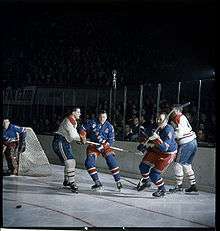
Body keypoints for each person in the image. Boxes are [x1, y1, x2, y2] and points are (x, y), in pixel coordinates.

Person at [79, 110, 123, 191]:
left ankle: (118, 181)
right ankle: (97, 182)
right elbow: (82, 128)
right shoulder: (92, 122)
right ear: (98, 117)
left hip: (105, 146)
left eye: (104, 117)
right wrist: (83, 136)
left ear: (106, 117)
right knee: (89, 163)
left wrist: (104, 145)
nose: (102, 119)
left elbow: (111, 140)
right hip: (93, 146)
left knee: (111, 160)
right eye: (100, 117)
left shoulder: (110, 127)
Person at [136, 112, 177, 197]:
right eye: (157, 119)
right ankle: (146, 181)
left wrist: (157, 138)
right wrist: (143, 145)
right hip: (156, 150)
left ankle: (162, 190)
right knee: (143, 167)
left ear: (166, 121)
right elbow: (145, 136)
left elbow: (164, 148)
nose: (158, 121)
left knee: (154, 174)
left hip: (167, 154)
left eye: (160, 119)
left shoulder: (169, 130)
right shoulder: (155, 127)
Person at [169, 106, 198, 193]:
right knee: (187, 164)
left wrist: (172, 135)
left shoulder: (178, 117)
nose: (171, 111)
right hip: (193, 142)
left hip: (186, 143)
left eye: (173, 110)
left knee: (177, 164)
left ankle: (179, 186)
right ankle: (193, 185)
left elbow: (180, 134)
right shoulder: (183, 117)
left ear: (177, 111)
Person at [52, 108, 81, 193]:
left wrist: (80, 139)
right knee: (70, 161)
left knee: (69, 162)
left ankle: (67, 180)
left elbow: (74, 136)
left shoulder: (73, 121)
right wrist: (81, 138)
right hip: (60, 141)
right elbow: (73, 136)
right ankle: (71, 182)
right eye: (78, 112)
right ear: (73, 112)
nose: (80, 114)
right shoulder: (69, 120)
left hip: (64, 142)